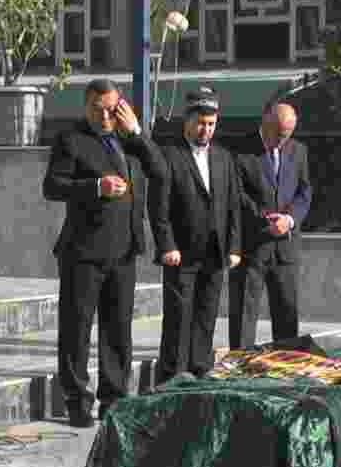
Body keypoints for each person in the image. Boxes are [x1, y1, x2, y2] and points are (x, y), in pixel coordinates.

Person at [43, 79, 165, 428]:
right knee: (77, 328)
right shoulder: (71, 140)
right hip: (84, 250)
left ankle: (114, 397)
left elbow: (160, 169)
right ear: (86, 106)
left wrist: (138, 133)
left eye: (111, 108)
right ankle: (76, 399)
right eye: (98, 108)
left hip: (124, 249)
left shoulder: (130, 140)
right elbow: (52, 186)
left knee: (118, 330)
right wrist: (96, 186)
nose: (105, 115)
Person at [149, 87, 241, 383]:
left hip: (215, 253)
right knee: (178, 319)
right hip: (181, 254)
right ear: (186, 120)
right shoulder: (170, 154)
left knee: (206, 317)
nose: (206, 130)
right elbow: (158, 205)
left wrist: (235, 246)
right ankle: (172, 377)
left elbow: (233, 205)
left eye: (212, 124)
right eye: (201, 123)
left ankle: (200, 372)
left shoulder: (224, 157)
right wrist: (166, 244)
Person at [229, 101, 313, 350]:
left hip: (285, 248)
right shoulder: (239, 151)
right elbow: (236, 194)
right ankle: (240, 365)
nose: (282, 141)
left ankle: (284, 369)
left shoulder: (298, 151)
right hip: (252, 247)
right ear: (265, 123)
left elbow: (305, 192)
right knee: (244, 314)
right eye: (278, 134)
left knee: (286, 315)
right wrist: (265, 218)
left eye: (287, 135)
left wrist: (289, 219)